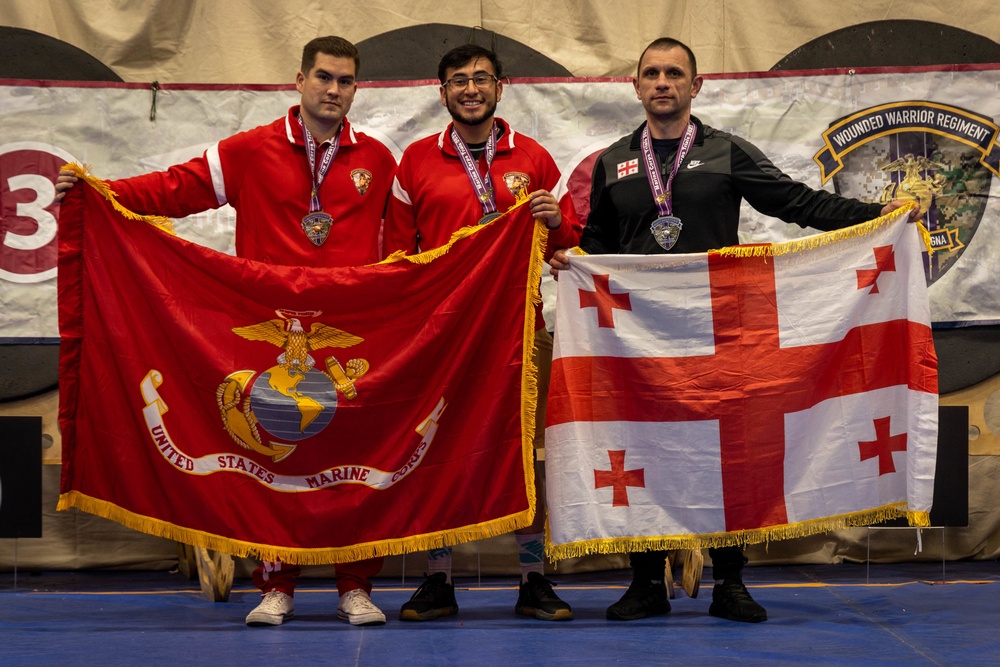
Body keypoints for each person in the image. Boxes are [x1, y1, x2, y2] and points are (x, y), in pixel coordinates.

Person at [549, 37, 918, 624]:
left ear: (697, 87)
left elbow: (796, 203)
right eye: (651, 73)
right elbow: (598, 246)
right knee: (646, 446)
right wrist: (572, 260)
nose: (662, 82)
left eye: (675, 73)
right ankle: (645, 583)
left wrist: (879, 216)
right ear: (636, 86)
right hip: (639, 337)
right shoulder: (612, 161)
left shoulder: (725, 152)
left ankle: (731, 582)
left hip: (719, 330)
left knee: (730, 449)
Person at [57, 35, 397, 628]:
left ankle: (355, 585)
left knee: (350, 456)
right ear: (299, 79)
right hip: (268, 336)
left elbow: (407, 242)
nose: (333, 90)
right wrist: (101, 193)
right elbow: (176, 186)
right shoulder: (250, 150)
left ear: (355, 88)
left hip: (348, 335)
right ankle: (276, 585)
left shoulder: (378, 159)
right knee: (270, 456)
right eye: (323, 77)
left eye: (344, 81)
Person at [383, 43, 582, 622]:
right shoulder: (414, 162)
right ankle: (437, 579)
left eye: (481, 79)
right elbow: (398, 259)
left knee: (529, 452)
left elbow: (563, 249)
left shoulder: (536, 158)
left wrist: (555, 221)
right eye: (458, 81)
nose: (470, 89)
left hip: (520, 332)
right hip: (441, 336)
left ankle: (533, 578)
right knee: (436, 448)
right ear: (441, 91)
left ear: (501, 87)